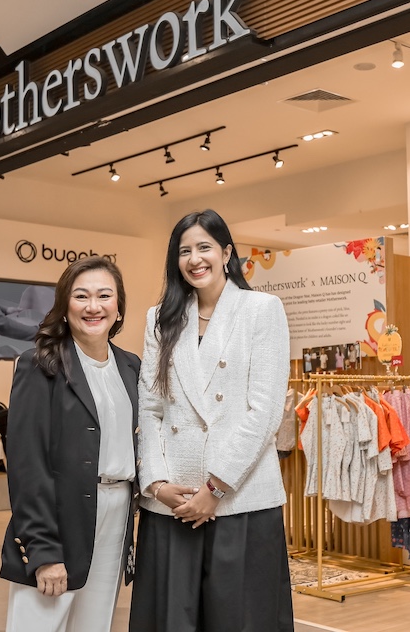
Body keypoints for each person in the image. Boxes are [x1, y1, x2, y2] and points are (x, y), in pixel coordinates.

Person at [130, 209, 293, 632]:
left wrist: (215, 488)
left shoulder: (261, 309)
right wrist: (157, 484)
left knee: (241, 620)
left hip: (240, 499)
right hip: (173, 502)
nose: (194, 259)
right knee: (169, 621)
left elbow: (265, 411)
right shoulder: (160, 317)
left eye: (204, 247)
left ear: (226, 253)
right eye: (184, 251)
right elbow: (150, 408)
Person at [0, 256, 140, 632]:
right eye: (81, 296)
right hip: (60, 518)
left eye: (104, 296)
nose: (94, 306)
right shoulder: (39, 364)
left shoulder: (131, 367)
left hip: (117, 512)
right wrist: (43, 549)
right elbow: (27, 466)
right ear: (64, 306)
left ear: (119, 306)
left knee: (95, 625)